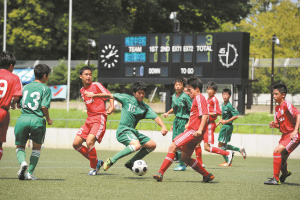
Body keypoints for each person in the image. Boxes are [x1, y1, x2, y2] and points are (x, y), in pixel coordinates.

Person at [85, 81, 168, 172]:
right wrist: (94, 95)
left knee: (152, 145)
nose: (141, 95)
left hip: (132, 132)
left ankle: (131, 162)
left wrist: (163, 127)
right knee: (136, 145)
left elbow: (156, 117)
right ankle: (112, 160)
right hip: (123, 130)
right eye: (139, 93)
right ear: (134, 93)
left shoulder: (144, 107)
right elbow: (110, 95)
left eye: (143, 93)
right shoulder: (126, 98)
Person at [153, 76, 214, 183]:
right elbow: (197, 115)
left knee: (173, 146)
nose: (188, 92)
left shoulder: (199, 98)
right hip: (195, 132)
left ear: (197, 89)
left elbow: (205, 114)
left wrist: (199, 130)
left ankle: (160, 173)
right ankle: (206, 175)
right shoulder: (196, 99)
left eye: (190, 90)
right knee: (185, 158)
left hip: (193, 131)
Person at [72, 66, 114, 175]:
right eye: (86, 74)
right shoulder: (82, 90)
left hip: (99, 118)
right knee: (76, 144)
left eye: (90, 74)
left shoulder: (96, 85)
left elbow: (110, 95)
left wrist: (111, 107)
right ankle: (97, 162)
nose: (88, 76)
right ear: (80, 76)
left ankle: (93, 168)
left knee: (89, 141)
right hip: (89, 119)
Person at [14, 64, 52, 180]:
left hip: (23, 118)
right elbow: (44, 107)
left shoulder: (25, 87)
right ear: (45, 76)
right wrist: (48, 119)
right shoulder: (46, 89)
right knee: (36, 148)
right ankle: (30, 173)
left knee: (20, 146)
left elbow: (18, 104)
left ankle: (22, 163)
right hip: (37, 120)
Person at [264, 83, 300, 185]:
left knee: (277, 150)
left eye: (276, 94)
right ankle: (285, 174)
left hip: (293, 135)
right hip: (285, 136)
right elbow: (281, 125)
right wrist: (275, 125)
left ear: (283, 94)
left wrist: (295, 130)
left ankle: (275, 179)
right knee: (282, 161)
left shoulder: (286, 104)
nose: (274, 96)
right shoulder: (277, 109)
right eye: (273, 94)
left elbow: (298, 114)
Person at [195, 82, 234, 167]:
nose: (209, 91)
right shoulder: (207, 99)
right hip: (204, 124)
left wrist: (207, 113)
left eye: (211, 89)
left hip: (209, 125)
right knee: (197, 143)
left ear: (215, 91)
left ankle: (227, 153)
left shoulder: (214, 99)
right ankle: (200, 163)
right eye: (208, 89)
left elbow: (218, 112)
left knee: (206, 147)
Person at [163, 77, 192, 171]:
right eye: (176, 85)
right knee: (174, 141)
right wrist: (167, 112)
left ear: (183, 86)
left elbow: (192, 110)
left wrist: (188, 122)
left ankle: (183, 164)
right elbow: (174, 108)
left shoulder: (185, 97)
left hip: (183, 121)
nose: (178, 86)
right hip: (176, 121)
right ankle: (182, 162)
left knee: (179, 143)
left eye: (180, 84)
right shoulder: (174, 96)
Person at [0, 51, 22, 161]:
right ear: (11, 65)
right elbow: (18, 95)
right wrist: (13, 103)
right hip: (3, 111)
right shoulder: (14, 78)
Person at [216, 88, 246, 167]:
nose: (225, 96)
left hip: (227, 127)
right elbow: (224, 117)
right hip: (225, 126)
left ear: (229, 96)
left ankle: (227, 161)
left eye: (227, 95)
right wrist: (218, 122)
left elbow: (236, 115)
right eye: (224, 94)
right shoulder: (223, 104)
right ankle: (239, 149)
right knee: (224, 145)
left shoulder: (229, 105)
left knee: (220, 145)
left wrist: (226, 122)